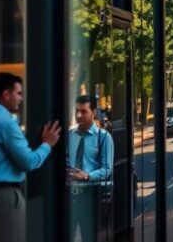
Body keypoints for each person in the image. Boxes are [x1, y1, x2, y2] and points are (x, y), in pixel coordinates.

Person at [0, 72, 61, 242]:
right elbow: (29, 162)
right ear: (6, 94)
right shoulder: (5, 122)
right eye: (18, 93)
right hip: (3, 198)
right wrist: (48, 143)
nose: (21, 98)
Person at [67, 95, 114, 242]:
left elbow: (107, 168)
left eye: (83, 111)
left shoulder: (103, 137)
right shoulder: (70, 136)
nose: (79, 115)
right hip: (69, 196)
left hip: (90, 197)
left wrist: (87, 176)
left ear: (93, 112)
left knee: (89, 237)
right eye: (76, 111)